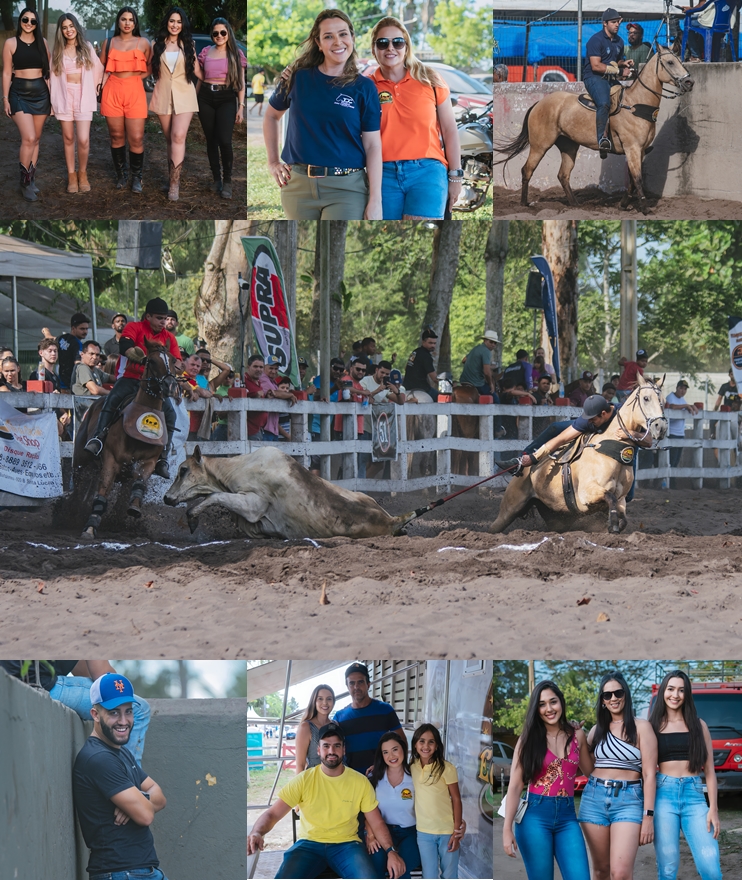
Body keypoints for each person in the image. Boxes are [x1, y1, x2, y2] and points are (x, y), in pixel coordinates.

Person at [248, 722, 406, 879]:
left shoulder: (360, 782)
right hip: (309, 845)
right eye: (326, 746)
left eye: (337, 745)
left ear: (344, 750)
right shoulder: (304, 780)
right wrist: (257, 832)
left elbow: (377, 822)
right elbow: (273, 814)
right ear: (318, 750)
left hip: (347, 845)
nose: (332, 751)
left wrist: (391, 851)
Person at [265, 9, 382, 220]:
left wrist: (375, 200)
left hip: (347, 188)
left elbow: (373, 145)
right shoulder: (297, 77)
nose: (337, 41)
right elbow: (271, 116)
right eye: (328, 36)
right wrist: (273, 161)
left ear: (352, 38)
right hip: (298, 188)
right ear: (319, 43)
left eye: (343, 34)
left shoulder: (364, 88)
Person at [72, 674, 167, 879]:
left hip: (139, 870)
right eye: (114, 713)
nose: (124, 721)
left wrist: (141, 798)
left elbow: (160, 796)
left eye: (128, 712)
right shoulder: (99, 758)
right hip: (122, 872)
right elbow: (145, 816)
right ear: (95, 714)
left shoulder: (120, 751)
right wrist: (140, 804)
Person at [369, 16, 462, 220]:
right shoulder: (366, 86)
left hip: (427, 171)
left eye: (398, 42)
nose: (390, 48)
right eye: (382, 43)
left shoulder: (430, 79)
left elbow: (449, 130)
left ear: (407, 46)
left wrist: (456, 177)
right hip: (383, 174)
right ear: (374, 49)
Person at [84, 297, 182, 479]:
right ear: (148, 316)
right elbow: (125, 346)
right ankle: (97, 438)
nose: (164, 322)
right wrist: (140, 357)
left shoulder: (169, 338)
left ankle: (163, 458)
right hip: (131, 379)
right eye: (159, 318)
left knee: (171, 414)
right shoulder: (134, 328)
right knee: (112, 399)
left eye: (165, 318)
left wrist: (175, 367)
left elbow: (177, 361)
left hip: (155, 386)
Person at [502, 680, 591, 880]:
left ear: (561, 703)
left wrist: (596, 735)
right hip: (534, 816)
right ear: (536, 708)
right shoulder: (528, 740)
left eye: (553, 702)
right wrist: (506, 829)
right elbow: (515, 785)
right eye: (542, 704)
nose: (549, 709)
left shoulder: (577, 735)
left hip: (568, 817)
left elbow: (591, 771)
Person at [578, 672, 657, 880]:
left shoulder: (642, 727)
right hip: (594, 797)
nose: (613, 698)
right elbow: (588, 771)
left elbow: (649, 775)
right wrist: (579, 738)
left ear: (626, 694)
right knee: (600, 871)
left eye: (618, 692)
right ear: (602, 701)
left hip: (629, 800)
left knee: (620, 873)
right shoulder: (597, 730)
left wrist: (648, 816)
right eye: (607, 695)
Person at [648, 669, 722, 880]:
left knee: (711, 869)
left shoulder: (699, 726)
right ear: (663, 691)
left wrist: (713, 810)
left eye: (681, 690)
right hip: (663, 797)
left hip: (695, 797)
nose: (675, 695)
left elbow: (709, 771)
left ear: (687, 694)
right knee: (668, 869)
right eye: (670, 689)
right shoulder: (652, 726)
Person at [0, 660, 150, 764]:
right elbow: (103, 676)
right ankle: (128, 787)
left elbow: (83, 670)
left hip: (10, 681)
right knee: (137, 709)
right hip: (39, 685)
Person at [150, 7, 201, 201]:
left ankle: (174, 184)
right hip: (163, 94)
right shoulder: (156, 44)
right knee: (170, 139)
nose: (175, 25)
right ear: (167, 23)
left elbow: (198, 72)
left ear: (183, 25)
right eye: (172, 21)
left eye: (179, 22)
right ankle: (170, 175)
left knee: (178, 136)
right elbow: (147, 68)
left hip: (185, 95)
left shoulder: (189, 44)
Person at [49, 14, 103, 194]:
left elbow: (98, 68)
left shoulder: (86, 47)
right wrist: (53, 100)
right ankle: (71, 175)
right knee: (68, 138)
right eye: (64, 27)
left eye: (71, 26)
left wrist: (95, 89)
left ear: (76, 27)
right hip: (64, 95)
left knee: (83, 139)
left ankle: (83, 173)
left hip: (83, 94)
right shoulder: (58, 50)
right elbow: (52, 76)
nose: (68, 30)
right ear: (61, 31)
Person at [99, 7, 152, 193]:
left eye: (131, 19)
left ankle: (137, 177)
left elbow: (151, 66)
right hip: (112, 90)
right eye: (123, 19)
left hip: (135, 90)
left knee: (136, 138)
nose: (127, 23)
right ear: (118, 22)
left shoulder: (144, 42)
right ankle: (121, 175)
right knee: (116, 136)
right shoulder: (109, 42)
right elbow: (101, 67)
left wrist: (136, 77)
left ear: (135, 23)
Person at [2, 7, 51, 201]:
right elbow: (6, 73)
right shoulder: (10, 43)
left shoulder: (43, 43)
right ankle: (23, 183)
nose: (29, 24)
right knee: (29, 137)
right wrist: (5, 98)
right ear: (20, 21)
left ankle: (30, 180)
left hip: (41, 94)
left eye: (33, 21)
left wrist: (53, 99)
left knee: (36, 139)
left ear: (37, 24)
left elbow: (48, 73)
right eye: (25, 20)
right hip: (18, 94)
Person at [197, 17, 246, 199]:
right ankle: (216, 179)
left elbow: (240, 82)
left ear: (228, 33)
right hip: (206, 97)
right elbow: (200, 77)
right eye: (216, 33)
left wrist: (240, 107)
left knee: (225, 140)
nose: (219, 36)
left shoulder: (236, 54)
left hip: (226, 97)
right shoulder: (205, 52)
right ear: (212, 34)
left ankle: (227, 182)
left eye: (223, 32)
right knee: (211, 140)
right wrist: (194, 99)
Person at [410, 723, 465, 879]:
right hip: (424, 832)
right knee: (429, 875)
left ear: (437, 745)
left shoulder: (447, 768)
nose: (426, 746)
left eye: (431, 741)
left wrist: (456, 831)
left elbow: (456, 798)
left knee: (449, 874)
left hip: (447, 831)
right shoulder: (411, 767)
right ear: (415, 744)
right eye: (421, 741)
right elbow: (391, 767)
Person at [366, 732, 422, 879]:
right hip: (382, 832)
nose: (391, 756)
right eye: (386, 752)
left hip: (410, 833)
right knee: (375, 868)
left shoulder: (415, 776)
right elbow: (367, 810)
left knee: (399, 870)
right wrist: (371, 836)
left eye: (395, 749)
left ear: (403, 749)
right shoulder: (374, 778)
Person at [334, 662, 405, 773]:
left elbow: (402, 742)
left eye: (360, 682)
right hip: (352, 779)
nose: (356, 687)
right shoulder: (339, 717)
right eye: (352, 683)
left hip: (381, 777)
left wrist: (387, 767)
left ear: (368, 684)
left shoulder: (386, 710)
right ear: (347, 687)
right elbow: (333, 748)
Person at [583, 9, 634, 155]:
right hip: (594, 77)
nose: (617, 25)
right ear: (604, 24)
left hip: (610, 78)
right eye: (613, 22)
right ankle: (602, 140)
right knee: (604, 103)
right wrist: (618, 71)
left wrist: (623, 64)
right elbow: (596, 66)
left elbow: (615, 61)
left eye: (618, 22)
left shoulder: (619, 41)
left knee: (626, 101)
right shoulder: (595, 40)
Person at [295, 683, 336, 772]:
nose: (325, 702)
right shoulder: (306, 727)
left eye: (329, 699)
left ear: (333, 702)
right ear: (314, 701)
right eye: (320, 699)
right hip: (315, 777)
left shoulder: (336, 725)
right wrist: (300, 785)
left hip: (337, 778)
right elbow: (300, 764)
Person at [260, 355, 297, 441]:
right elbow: (275, 393)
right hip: (265, 428)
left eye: (276, 369)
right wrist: (290, 395)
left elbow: (277, 393)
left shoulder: (272, 381)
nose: (273, 371)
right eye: (271, 368)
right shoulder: (263, 379)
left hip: (272, 429)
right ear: (264, 367)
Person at [664, 379, 696, 469]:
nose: (683, 391)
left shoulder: (683, 400)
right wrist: (686, 406)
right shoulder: (670, 397)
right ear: (677, 388)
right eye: (681, 388)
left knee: (676, 461)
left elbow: (686, 407)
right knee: (671, 460)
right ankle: (668, 481)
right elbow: (672, 406)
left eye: (685, 389)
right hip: (672, 433)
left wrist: (691, 407)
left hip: (680, 434)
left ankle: (672, 481)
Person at [460, 331, 500, 397]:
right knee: (495, 399)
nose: (493, 344)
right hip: (476, 383)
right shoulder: (486, 351)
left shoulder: (476, 348)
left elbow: (464, 360)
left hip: (464, 381)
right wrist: (491, 384)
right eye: (491, 342)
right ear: (485, 340)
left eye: (495, 343)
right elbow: (487, 372)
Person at [403, 328, 439, 402]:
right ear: (423, 342)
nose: (433, 345)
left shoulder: (415, 352)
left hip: (407, 387)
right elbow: (435, 378)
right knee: (441, 398)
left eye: (434, 343)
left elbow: (406, 367)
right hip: (421, 387)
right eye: (430, 343)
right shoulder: (426, 356)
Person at [243, 354, 269, 440]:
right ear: (248, 367)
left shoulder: (258, 383)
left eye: (261, 367)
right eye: (255, 366)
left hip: (259, 429)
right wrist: (254, 395)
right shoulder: (243, 381)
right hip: (249, 430)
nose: (258, 369)